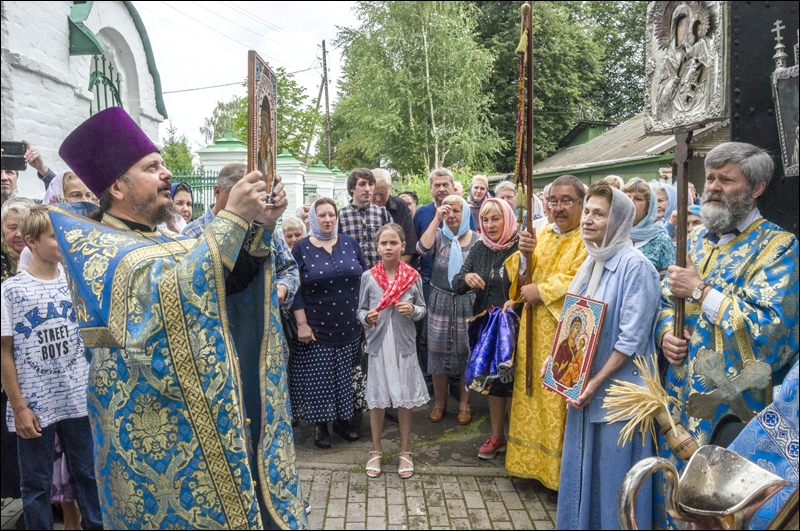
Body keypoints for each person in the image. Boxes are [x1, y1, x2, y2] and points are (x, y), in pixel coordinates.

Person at [52, 107, 307, 529]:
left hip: (204, 422)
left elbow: (221, 286)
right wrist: (233, 219)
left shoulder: (161, 237)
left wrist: (261, 225)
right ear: (117, 185)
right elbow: (165, 302)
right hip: (157, 436)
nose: (167, 173)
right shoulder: (100, 248)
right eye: (152, 167)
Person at [655, 142, 798, 529]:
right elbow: (668, 301)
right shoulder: (697, 240)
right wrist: (668, 331)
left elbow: (770, 329)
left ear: (756, 188)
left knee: (720, 510)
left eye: (726, 180)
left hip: (735, 411)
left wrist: (701, 291)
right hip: (680, 399)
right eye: (711, 178)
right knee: (675, 497)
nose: (713, 187)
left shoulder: (780, 247)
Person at [555, 182, 660, 531]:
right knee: (583, 478)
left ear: (618, 221)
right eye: (587, 211)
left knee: (615, 485)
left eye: (599, 214)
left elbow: (631, 339)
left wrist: (595, 382)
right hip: (585, 391)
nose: (588, 219)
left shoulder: (636, 266)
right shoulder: (593, 261)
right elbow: (576, 324)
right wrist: (554, 361)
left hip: (618, 398)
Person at [1, 205, 103, 530]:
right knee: (35, 485)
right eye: (53, 236)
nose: (62, 241)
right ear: (31, 241)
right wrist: (18, 407)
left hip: (77, 401)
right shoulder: (11, 291)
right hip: (35, 405)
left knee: (88, 476)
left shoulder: (75, 281)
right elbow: (4, 353)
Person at [504, 174, 587, 499]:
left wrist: (544, 290)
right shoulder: (540, 232)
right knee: (530, 394)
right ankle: (528, 466)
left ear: (581, 203)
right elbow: (520, 277)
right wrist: (525, 254)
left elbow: (584, 277)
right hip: (533, 328)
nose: (559, 207)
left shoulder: (587, 238)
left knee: (556, 400)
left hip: (565, 335)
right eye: (553, 201)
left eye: (567, 201)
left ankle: (556, 476)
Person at [291, 198, 367, 448]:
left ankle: (345, 422)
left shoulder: (350, 243)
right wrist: (302, 324)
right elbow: (296, 289)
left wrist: (366, 315)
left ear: (337, 217)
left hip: (350, 324)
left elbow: (365, 281)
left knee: (347, 376)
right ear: (313, 218)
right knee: (320, 378)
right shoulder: (301, 248)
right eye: (321, 215)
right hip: (316, 327)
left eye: (331, 215)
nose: (327, 220)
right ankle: (321, 426)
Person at [358, 223, 428, 480]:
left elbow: (422, 309)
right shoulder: (368, 277)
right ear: (377, 247)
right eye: (383, 243)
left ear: (403, 246)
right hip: (378, 346)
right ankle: (375, 449)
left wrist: (413, 311)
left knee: (404, 399)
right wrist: (367, 316)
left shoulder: (412, 277)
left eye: (393, 243)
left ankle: (405, 450)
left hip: (403, 346)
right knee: (377, 400)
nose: (388, 247)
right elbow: (360, 311)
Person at [452, 198, 519, 460]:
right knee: (493, 384)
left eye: (496, 219)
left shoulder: (521, 247)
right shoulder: (481, 248)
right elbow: (457, 282)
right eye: (486, 220)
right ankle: (497, 435)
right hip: (485, 324)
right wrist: (466, 278)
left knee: (513, 382)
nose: (490, 225)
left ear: (508, 218)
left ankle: (517, 439)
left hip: (516, 323)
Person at [417, 195, 479, 425]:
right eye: (447, 211)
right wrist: (436, 219)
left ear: (465, 215)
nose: (451, 215)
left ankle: (465, 404)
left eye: (456, 211)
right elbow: (422, 248)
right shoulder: (439, 237)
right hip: (440, 301)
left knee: (466, 353)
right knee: (437, 352)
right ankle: (440, 403)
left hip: (467, 303)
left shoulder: (477, 241)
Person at [338, 168, 393, 269]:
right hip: (351, 274)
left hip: (378, 275)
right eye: (362, 184)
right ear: (352, 188)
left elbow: (391, 245)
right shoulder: (340, 216)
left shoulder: (383, 214)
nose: (367, 189)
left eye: (371, 184)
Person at [623, 177, 674, 276]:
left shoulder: (660, 239)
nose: (631, 203)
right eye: (627, 197)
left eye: (638, 199)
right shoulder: (614, 235)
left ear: (649, 206)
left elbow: (668, 281)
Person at [371, 168, 417, 263]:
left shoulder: (400, 206)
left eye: (382, 193)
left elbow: (409, 248)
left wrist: (391, 272)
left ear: (390, 188)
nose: (378, 199)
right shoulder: (363, 210)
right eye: (374, 194)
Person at [1, 197, 35, 282]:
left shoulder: (50, 256)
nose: (19, 234)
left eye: (25, 227)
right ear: (2, 231)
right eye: (12, 228)